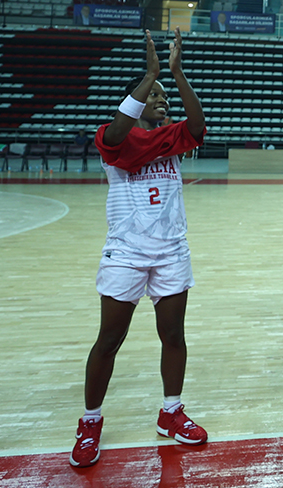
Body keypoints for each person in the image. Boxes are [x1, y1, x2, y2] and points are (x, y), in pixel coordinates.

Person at [70, 28, 207, 468]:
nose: (162, 101)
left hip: (171, 251)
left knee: (173, 335)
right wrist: (149, 76)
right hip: (126, 253)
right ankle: (90, 421)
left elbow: (199, 125)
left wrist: (176, 75)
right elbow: (116, 135)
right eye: (156, 96)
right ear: (137, 101)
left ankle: (171, 411)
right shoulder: (113, 139)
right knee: (110, 338)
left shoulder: (172, 139)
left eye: (164, 97)